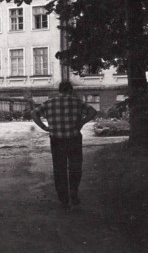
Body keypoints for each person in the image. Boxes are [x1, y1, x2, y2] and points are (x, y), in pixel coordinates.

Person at [31, 81, 98, 209]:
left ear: (59, 90)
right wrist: (82, 122)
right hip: (74, 139)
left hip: (57, 140)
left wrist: (44, 127)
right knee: (75, 167)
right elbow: (93, 112)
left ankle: (63, 199)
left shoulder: (49, 103)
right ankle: (74, 192)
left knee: (59, 169)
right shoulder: (77, 102)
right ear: (71, 90)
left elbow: (34, 113)